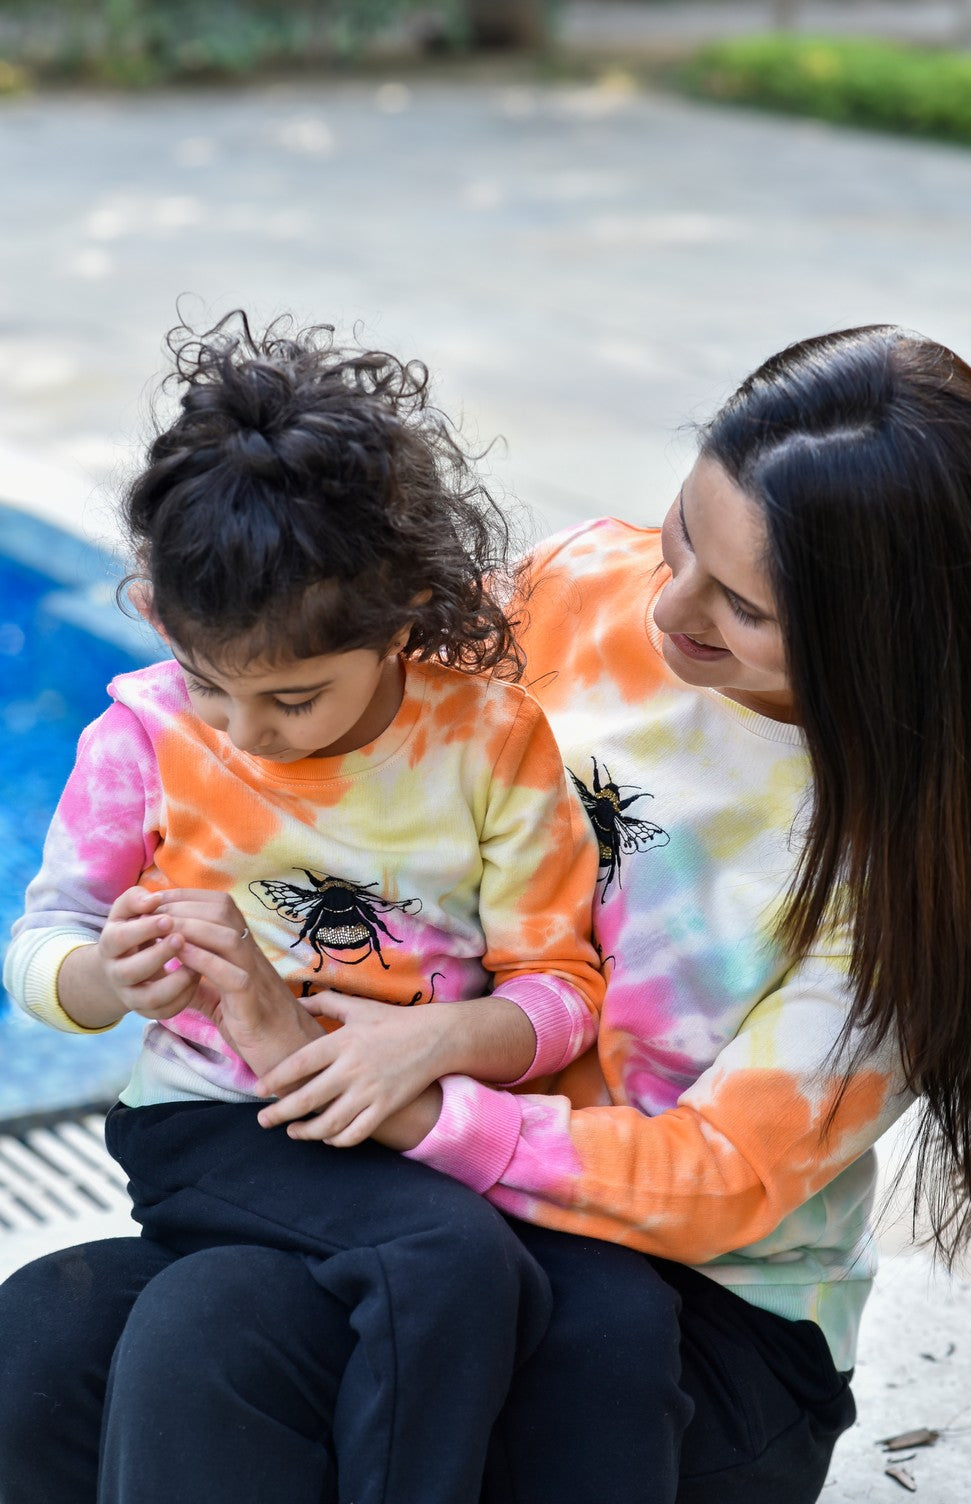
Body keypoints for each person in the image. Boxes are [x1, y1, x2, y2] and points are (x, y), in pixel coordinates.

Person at [3, 322, 971, 1504]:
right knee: (60, 1343)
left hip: (686, 1304)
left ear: (878, 638)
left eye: (740, 606)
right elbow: (323, 655)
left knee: (363, 1342)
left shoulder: (907, 851)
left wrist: (422, 1096)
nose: (668, 606)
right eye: (683, 530)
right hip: (429, 1194)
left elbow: (719, 1180)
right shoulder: (585, 582)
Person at [0, 314, 607, 1504]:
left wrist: (435, 1043)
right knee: (446, 1263)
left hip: (415, 1126)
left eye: (291, 697)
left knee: (462, 1265)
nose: (243, 732)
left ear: (400, 620)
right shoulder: (142, 735)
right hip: (215, 1127)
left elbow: (560, 993)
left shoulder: (489, 740)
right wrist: (105, 979)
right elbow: (40, 946)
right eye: (210, 681)